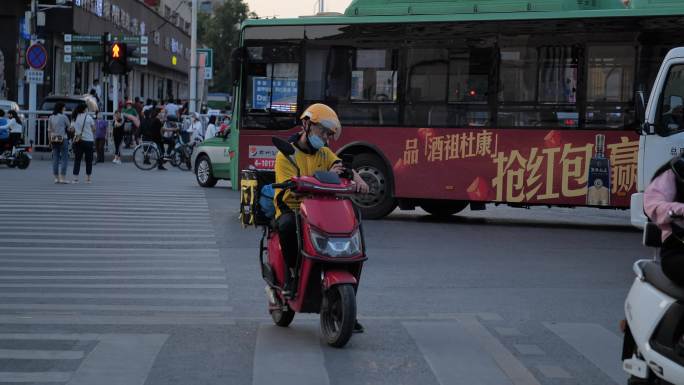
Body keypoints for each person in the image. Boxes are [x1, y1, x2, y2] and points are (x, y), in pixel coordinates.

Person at [274, 104, 369, 295]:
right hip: (293, 208)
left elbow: (341, 168)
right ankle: (292, 274)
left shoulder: (324, 153)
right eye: (323, 132)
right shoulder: (286, 155)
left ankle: (346, 304)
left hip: (320, 208)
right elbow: (289, 191)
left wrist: (358, 180)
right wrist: (324, 175)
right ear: (307, 124)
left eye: (328, 134)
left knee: (352, 224)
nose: (326, 138)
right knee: (286, 225)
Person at [71, 103, 96, 184]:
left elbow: (71, 129)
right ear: (85, 109)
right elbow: (94, 129)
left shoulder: (75, 117)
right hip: (89, 141)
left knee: (77, 159)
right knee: (89, 160)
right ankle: (88, 178)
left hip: (78, 141)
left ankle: (75, 178)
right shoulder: (89, 117)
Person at [47, 102, 71, 183]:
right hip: (63, 138)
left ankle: (56, 178)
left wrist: (49, 141)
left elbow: (49, 131)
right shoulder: (64, 117)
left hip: (54, 138)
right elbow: (69, 128)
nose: (65, 109)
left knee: (55, 158)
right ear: (61, 108)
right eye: (64, 107)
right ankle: (63, 178)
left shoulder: (51, 117)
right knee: (64, 158)